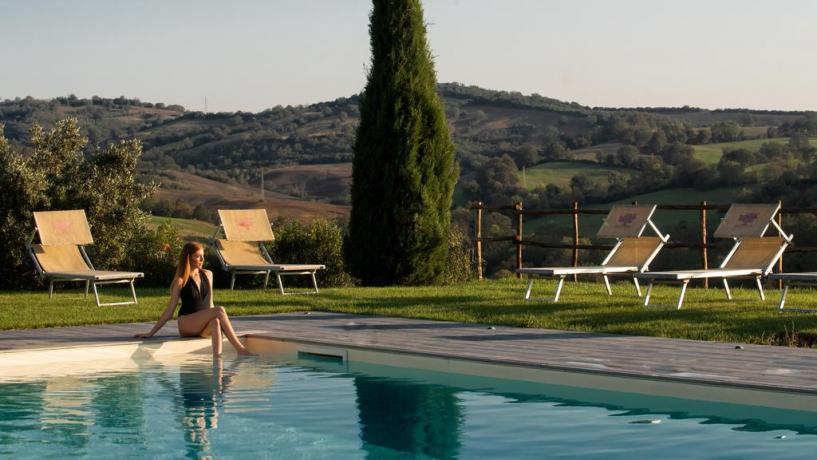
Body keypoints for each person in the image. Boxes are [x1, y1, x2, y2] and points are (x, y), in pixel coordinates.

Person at [135, 242, 255, 357]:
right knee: (220, 310)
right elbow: (170, 310)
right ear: (188, 258)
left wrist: (213, 316)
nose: (202, 260)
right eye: (198, 256)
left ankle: (217, 360)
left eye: (203, 256)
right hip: (186, 323)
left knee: (215, 321)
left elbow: (210, 303)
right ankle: (240, 349)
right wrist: (151, 333)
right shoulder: (180, 280)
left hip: (202, 326)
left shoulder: (208, 274)